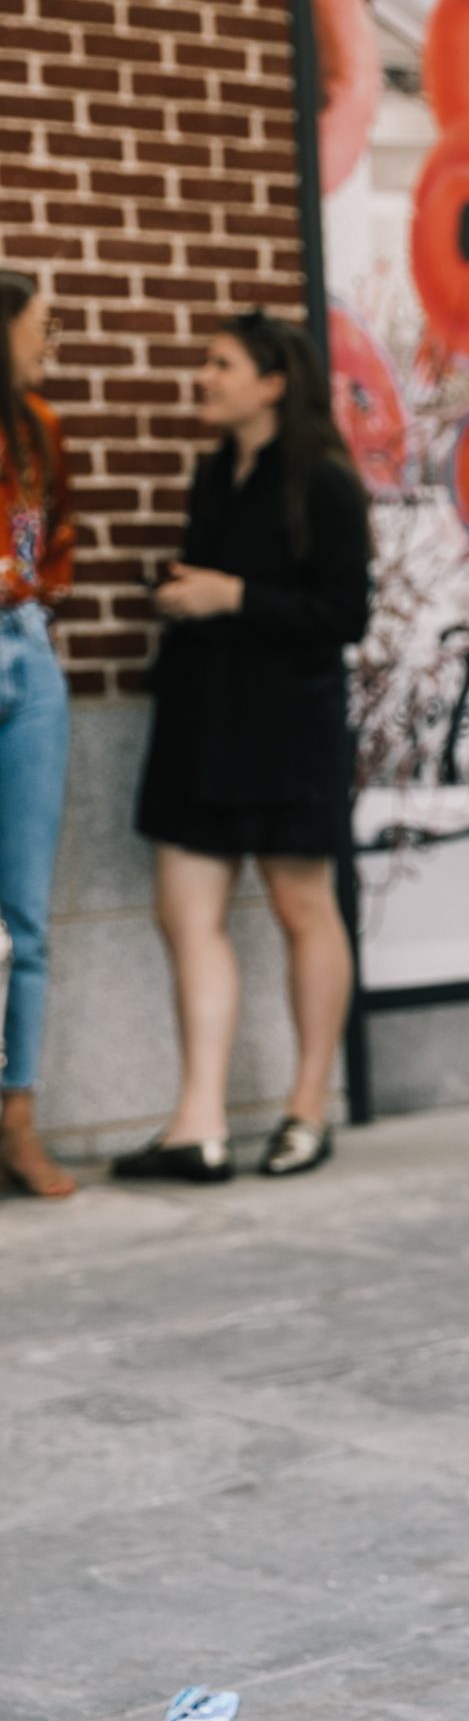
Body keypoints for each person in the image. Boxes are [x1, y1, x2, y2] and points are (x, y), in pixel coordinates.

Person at [115, 310, 370, 1183]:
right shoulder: (217, 473)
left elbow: (345, 615)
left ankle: (307, 1111)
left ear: (272, 383)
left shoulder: (325, 483)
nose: (205, 378)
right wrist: (191, 596)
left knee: (304, 909)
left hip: (287, 728)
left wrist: (233, 597)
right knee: (183, 913)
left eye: (220, 365)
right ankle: (201, 1124)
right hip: (203, 721)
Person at [0, 269, 78, 1200]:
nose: (47, 339)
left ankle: (18, 1120)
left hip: (29, 656)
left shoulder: (40, 430)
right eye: (40, 325)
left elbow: (54, 544)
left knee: (26, 914)